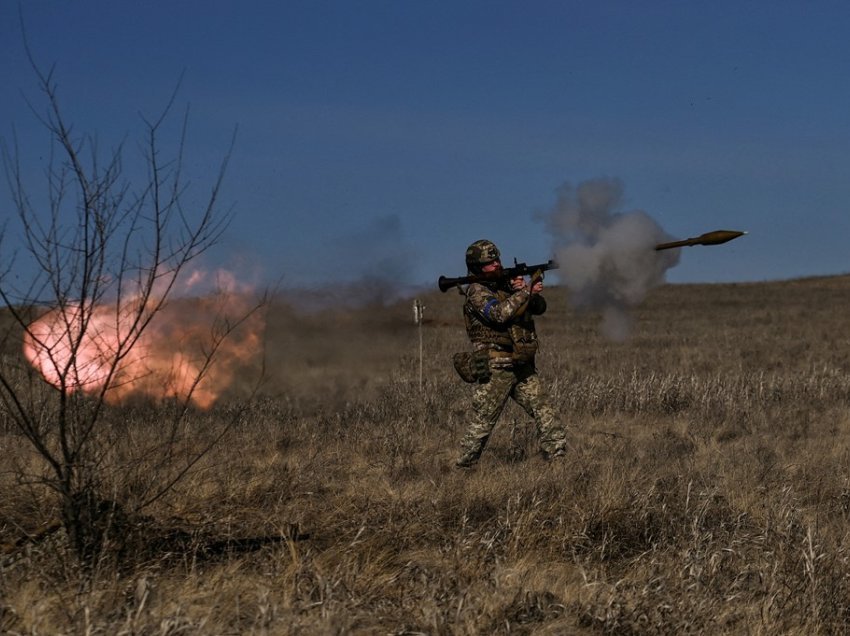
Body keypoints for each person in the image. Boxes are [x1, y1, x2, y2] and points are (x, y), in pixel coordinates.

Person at [455, 239, 567, 468]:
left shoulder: (504, 287)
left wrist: (527, 292)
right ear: (477, 267)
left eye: (497, 260)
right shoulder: (476, 292)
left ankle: (558, 461)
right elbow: (499, 314)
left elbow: (540, 308)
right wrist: (525, 290)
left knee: (544, 409)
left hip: (520, 363)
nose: (496, 264)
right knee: (483, 423)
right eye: (489, 262)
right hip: (496, 368)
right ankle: (463, 469)